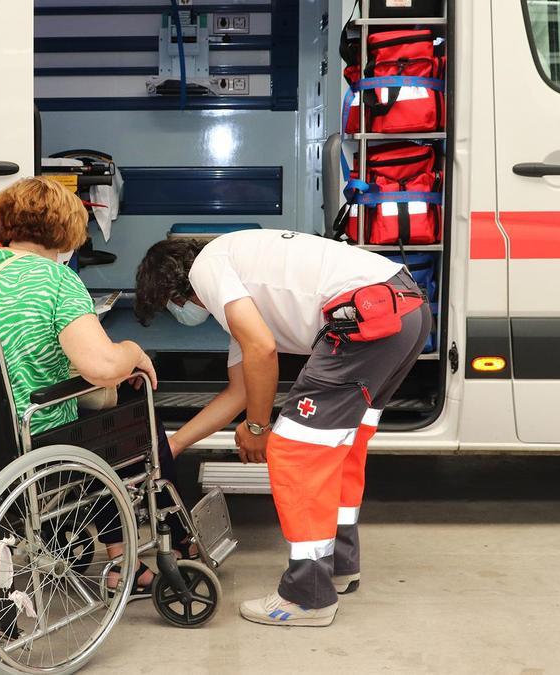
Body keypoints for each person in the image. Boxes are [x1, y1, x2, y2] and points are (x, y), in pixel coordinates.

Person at [134, 229, 432, 626]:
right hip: (404, 310)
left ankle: (307, 597)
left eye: (169, 306)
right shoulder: (241, 284)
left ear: (173, 290)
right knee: (339, 449)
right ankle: (339, 566)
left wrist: (258, 429)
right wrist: (171, 446)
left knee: (295, 451)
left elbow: (262, 349)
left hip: (365, 316)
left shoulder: (207, 267)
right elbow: (240, 390)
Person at [0, 176, 171, 595]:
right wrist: (134, 350)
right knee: (125, 409)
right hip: (33, 434)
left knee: (98, 412)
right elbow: (101, 366)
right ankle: (127, 560)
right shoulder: (60, 282)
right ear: (68, 230)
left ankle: (112, 549)